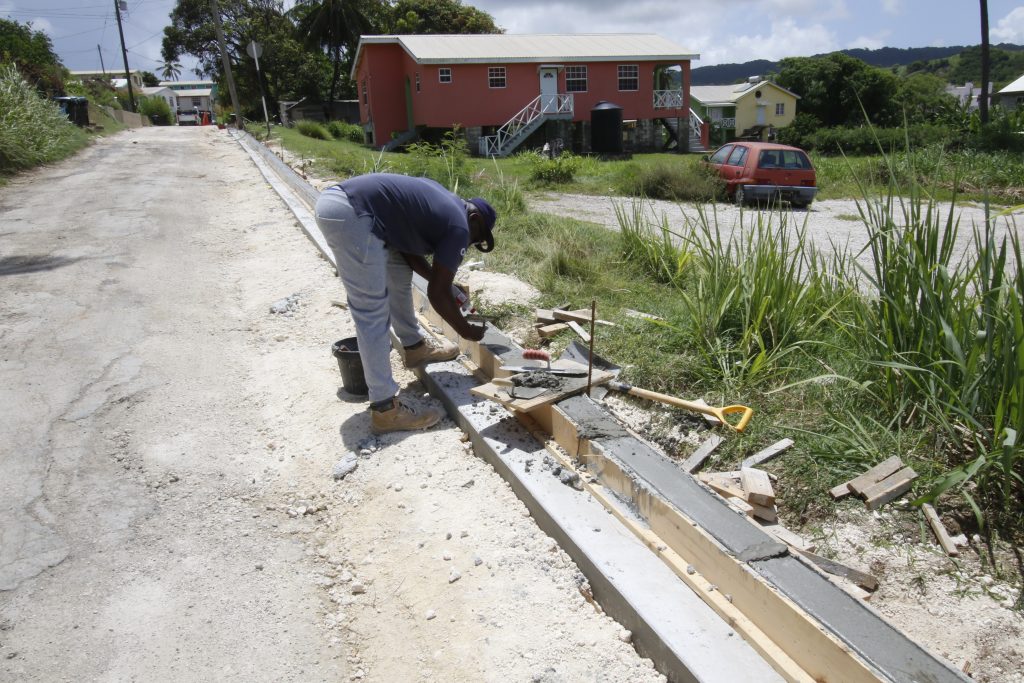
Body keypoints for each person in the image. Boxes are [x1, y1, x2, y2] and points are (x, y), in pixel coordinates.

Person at [314, 173, 497, 433]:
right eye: (475, 238)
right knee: (371, 311)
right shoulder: (459, 225)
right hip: (354, 214)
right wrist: (465, 330)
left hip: (355, 209)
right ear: (475, 219)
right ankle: (385, 410)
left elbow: (413, 258)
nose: (469, 243)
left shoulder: (442, 206)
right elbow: (436, 292)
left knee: (398, 274)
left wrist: (448, 285)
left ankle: (414, 347)